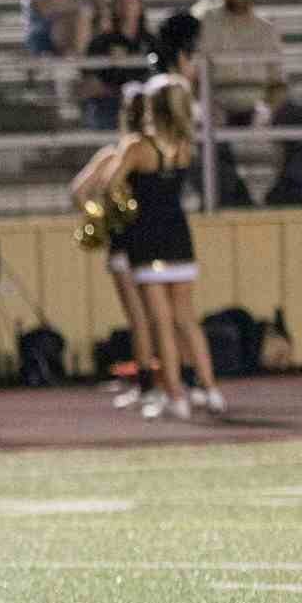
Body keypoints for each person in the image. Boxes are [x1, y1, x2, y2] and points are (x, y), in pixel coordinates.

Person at [101, 75, 226, 422]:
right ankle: (211, 389)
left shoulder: (137, 146)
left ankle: (175, 395)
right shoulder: (185, 143)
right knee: (187, 319)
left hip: (147, 238)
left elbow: (111, 186)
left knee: (161, 323)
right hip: (180, 236)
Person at [71, 82, 164, 411]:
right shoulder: (156, 151)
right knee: (162, 316)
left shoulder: (115, 154)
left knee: (138, 318)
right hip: (156, 239)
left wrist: (96, 214)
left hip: (124, 243)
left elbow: (78, 190)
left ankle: (149, 385)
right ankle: (177, 382)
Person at [199, 0, 302, 207]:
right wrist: (209, 104)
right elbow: (194, 74)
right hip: (218, 104)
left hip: (259, 106)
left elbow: (278, 83)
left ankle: (288, 193)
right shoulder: (206, 22)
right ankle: (233, 196)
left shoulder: (266, 29)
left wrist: (268, 108)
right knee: (199, 124)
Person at [81, 0, 154, 132]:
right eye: (121, 1)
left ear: (140, 5)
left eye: (130, 0)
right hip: (112, 105)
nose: (126, 6)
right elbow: (88, 85)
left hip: (147, 103)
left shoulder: (151, 42)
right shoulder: (100, 43)